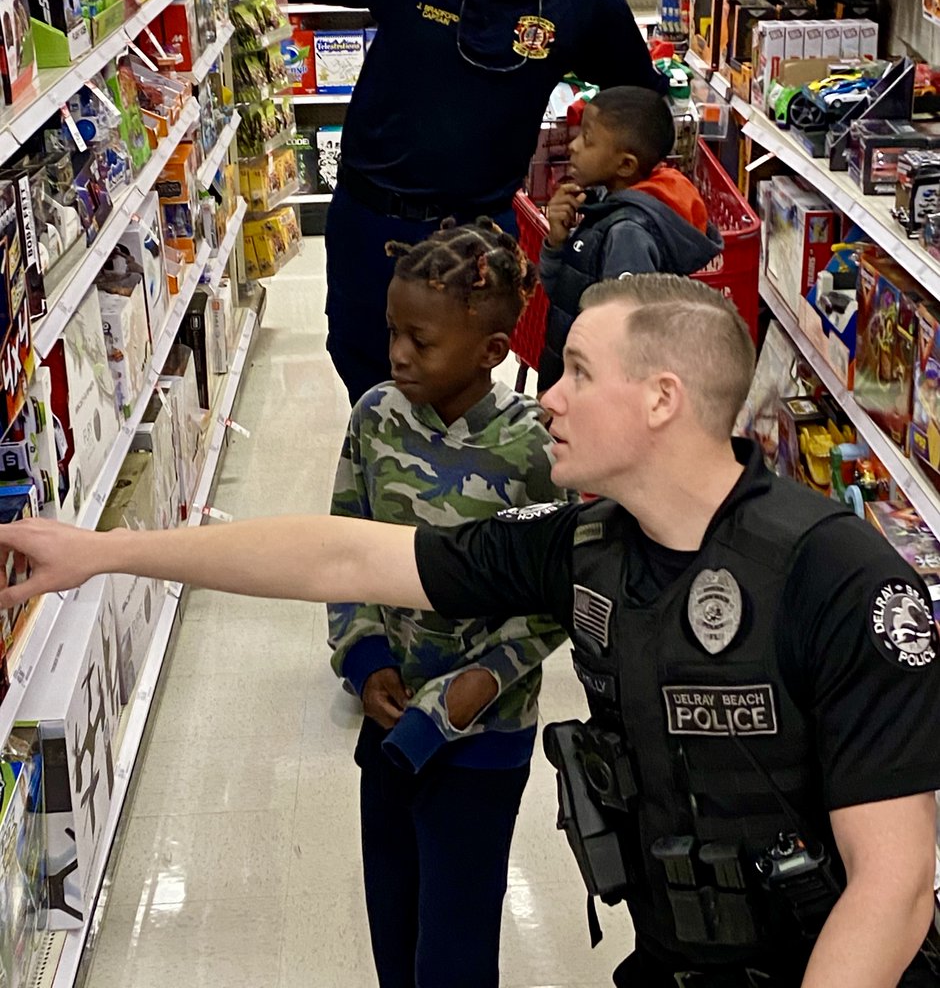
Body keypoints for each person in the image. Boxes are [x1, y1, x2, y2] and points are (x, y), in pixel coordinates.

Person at [5, 275, 939, 988]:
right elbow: (343, 559)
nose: (548, 401)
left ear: (661, 399)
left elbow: (892, 889)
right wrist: (107, 551)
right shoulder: (585, 545)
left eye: (577, 372)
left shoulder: (836, 575)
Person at [135, 0, 667, 404]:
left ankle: (452, 486)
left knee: (461, 386)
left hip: (479, 238)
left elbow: (643, 104)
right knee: (365, 369)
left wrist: (590, 178)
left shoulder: (579, 2)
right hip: (372, 223)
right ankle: (382, 476)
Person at [328, 218, 568, 987]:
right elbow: (344, 543)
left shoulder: (537, 448)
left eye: (421, 342)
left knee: (456, 946)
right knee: (393, 923)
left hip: (485, 738)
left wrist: (485, 682)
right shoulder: (375, 417)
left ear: (492, 351)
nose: (398, 353)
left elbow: (562, 588)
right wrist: (364, 660)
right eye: (394, 331)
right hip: (391, 719)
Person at [537, 85, 722, 391]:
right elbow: (564, 291)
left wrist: (574, 391)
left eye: (588, 139)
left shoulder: (628, 234)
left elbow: (622, 336)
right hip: (571, 379)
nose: (573, 146)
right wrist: (557, 242)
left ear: (625, 165)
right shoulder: (603, 205)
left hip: (592, 393)